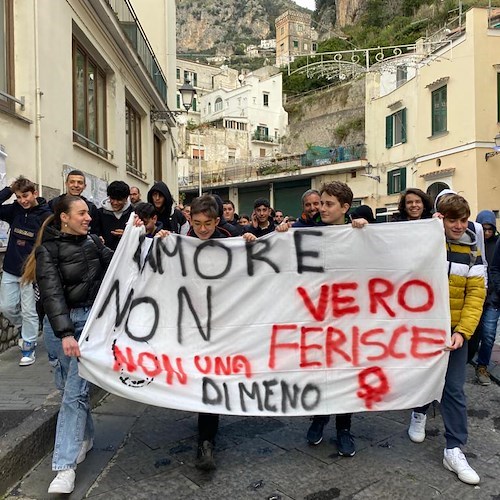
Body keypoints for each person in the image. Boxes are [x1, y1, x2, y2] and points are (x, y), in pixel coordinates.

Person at [22, 195, 113, 494]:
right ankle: (85, 439)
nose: (88, 217)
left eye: (88, 213)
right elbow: (51, 293)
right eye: (82, 213)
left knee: (74, 392)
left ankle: (64, 467)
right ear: (64, 217)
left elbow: (122, 262)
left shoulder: (95, 244)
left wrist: (145, 236)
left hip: (89, 326)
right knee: (68, 390)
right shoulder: (47, 251)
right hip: (59, 327)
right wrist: (64, 334)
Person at [407, 194, 485, 485]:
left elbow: (476, 295)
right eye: (452, 219)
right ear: (441, 218)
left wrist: (462, 332)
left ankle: (454, 448)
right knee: (422, 377)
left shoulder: (473, 249)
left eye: (463, 220)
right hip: (423, 327)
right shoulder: (428, 240)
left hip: (453, 332)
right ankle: (418, 411)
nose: (458, 225)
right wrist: (427, 231)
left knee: (454, 389)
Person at [276, 181, 356, 457]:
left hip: (347, 318)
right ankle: (320, 418)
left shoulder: (357, 232)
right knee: (320, 371)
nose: (321, 208)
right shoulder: (304, 230)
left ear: (345, 208)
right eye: (320, 203)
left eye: (328, 204)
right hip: (314, 315)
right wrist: (282, 233)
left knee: (345, 373)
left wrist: (363, 230)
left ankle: (344, 428)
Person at [0, 176, 51, 365]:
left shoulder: (45, 214)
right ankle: (25, 327)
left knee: (29, 309)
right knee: (6, 306)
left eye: (26, 196)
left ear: (35, 193)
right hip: (11, 268)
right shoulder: (14, 211)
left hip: (30, 271)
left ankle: (28, 346)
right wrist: (8, 190)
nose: (23, 200)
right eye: (19, 197)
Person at [469, 210, 499, 384]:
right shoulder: (471, 241)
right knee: (471, 335)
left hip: (492, 299)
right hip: (473, 297)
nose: (487, 232)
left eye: (490, 229)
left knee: (488, 335)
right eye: (484, 229)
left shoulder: (498, 244)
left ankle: (482, 367)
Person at [48, 170, 100, 234]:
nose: (76, 185)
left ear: (84, 186)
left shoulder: (91, 207)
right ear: (66, 184)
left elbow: (94, 231)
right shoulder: (54, 203)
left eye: (80, 182)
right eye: (72, 182)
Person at [97, 180, 134, 251]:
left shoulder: (134, 213)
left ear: (126, 199)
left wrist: (126, 235)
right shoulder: (100, 213)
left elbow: (140, 235)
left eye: (119, 200)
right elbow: (95, 233)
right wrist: (98, 239)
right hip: (105, 256)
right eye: (112, 199)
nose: (115, 203)